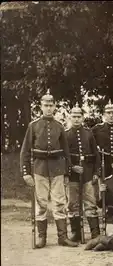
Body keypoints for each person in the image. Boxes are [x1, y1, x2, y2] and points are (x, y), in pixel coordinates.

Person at [20, 89, 77, 248]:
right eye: (46, 105)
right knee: (41, 203)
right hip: (40, 170)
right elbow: (25, 151)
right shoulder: (34, 126)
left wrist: (67, 171)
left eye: (51, 105)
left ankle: (62, 237)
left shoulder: (59, 126)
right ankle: (42, 238)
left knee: (59, 203)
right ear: (41, 106)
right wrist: (26, 173)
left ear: (55, 106)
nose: (49, 108)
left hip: (58, 169)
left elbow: (66, 152)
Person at [65, 106, 101, 241]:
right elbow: (63, 155)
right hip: (72, 175)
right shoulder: (66, 134)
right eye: (73, 116)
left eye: (78, 116)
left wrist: (96, 172)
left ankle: (95, 233)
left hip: (88, 173)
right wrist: (72, 167)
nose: (76, 119)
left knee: (90, 202)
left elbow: (96, 154)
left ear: (82, 118)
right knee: (73, 203)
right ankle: (76, 233)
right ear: (70, 117)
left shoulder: (88, 133)